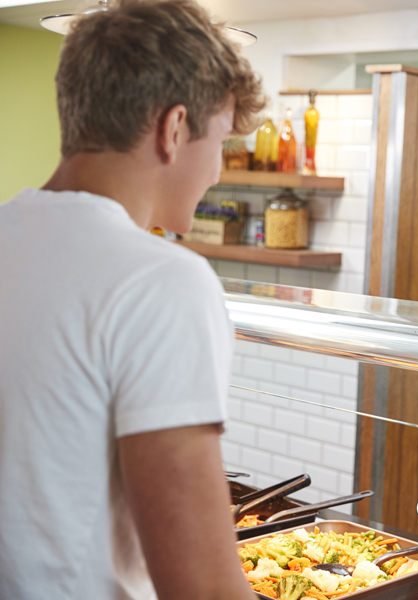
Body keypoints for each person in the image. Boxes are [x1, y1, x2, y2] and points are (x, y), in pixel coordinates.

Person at [0, 1, 265, 598]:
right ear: (173, 130)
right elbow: (202, 588)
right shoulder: (162, 282)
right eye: (220, 139)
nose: (218, 172)